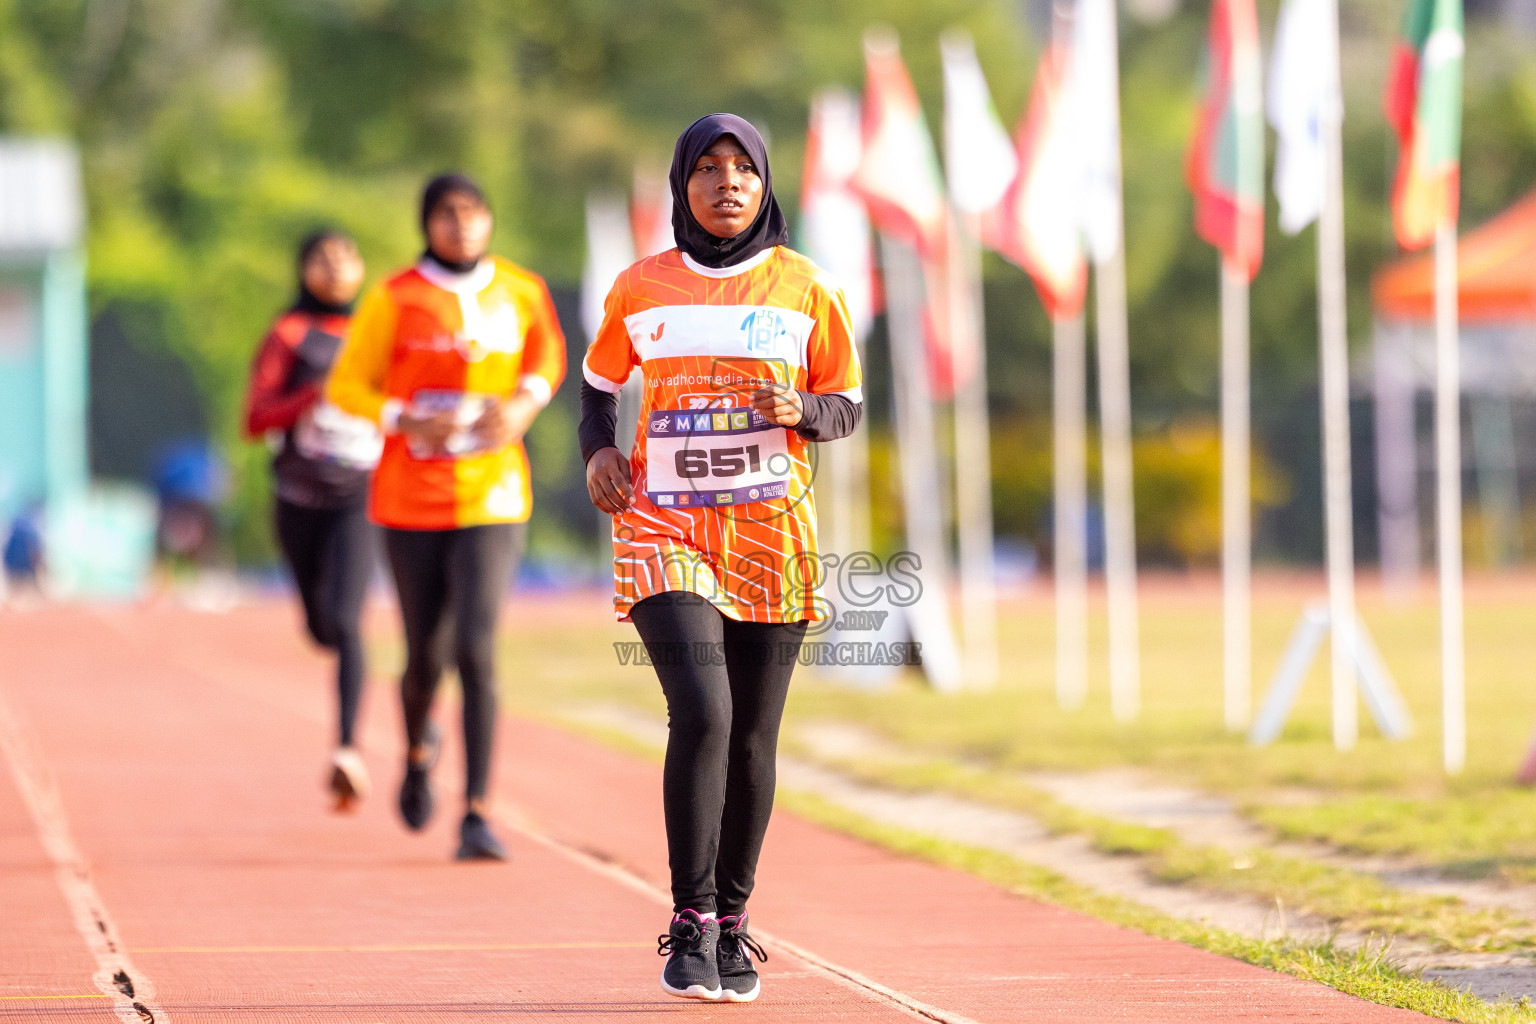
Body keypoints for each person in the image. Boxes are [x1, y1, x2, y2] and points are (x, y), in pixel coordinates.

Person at [579, 113, 863, 1002]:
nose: (727, 182)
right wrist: (598, 448)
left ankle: (734, 925)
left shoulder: (806, 287)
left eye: (744, 168)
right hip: (665, 528)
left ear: (766, 183)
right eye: (708, 168)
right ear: (682, 184)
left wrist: (803, 410)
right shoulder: (642, 287)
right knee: (701, 710)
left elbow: (847, 403)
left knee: (752, 735)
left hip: (771, 534)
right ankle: (690, 918)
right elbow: (596, 383)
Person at [327, 173, 566, 861]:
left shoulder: (521, 289)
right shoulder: (395, 297)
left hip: (493, 497)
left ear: (490, 221)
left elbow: (549, 354)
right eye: (448, 214)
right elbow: (347, 384)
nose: (462, 225)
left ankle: (478, 812)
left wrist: (524, 401)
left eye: (474, 213)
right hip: (409, 500)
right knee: (425, 655)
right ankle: (416, 748)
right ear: (427, 223)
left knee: (477, 650)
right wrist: (404, 418)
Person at [243, 229, 380, 812]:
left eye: (347, 256)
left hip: (362, 495)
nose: (335, 267)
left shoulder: (378, 329)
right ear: (304, 270)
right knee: (321, 628)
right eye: (322, 258)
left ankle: (347, 749)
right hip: (298, 496)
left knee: (347, 623)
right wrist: (317, 394)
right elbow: (255, 419)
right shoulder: (288, 334)